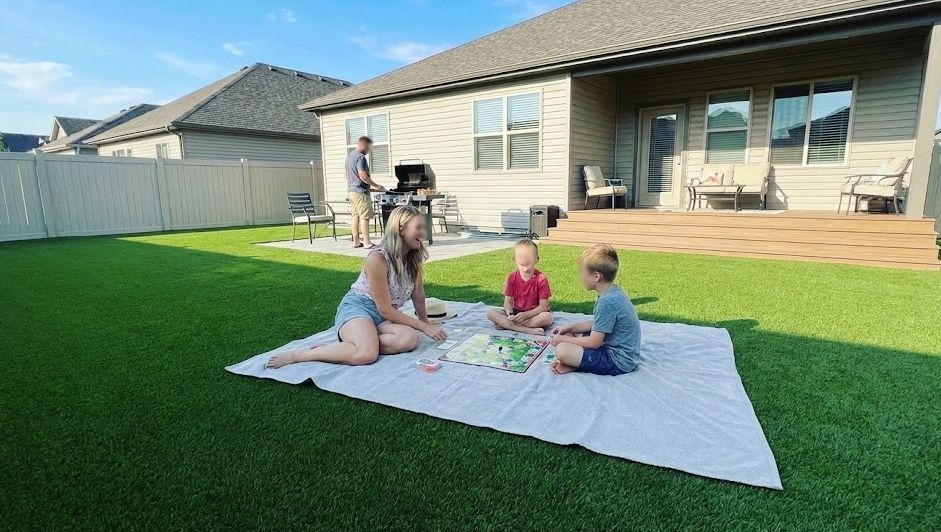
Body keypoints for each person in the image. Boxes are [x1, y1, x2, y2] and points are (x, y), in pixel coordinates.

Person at [266, 205, 447, 368]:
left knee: (409, 339)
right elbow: (384, 308)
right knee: (366, 354)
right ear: (401, 229)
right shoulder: (378, 258)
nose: (424, 233)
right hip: (359, 308)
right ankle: (301, 355)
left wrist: (424, 322)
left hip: (382, 318)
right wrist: (424, 327)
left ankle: (348, 345)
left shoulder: (412, 259)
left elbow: (418, 294)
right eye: (419, 228)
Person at [549, 244, 641, 376]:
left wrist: (562, 340)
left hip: (618, 361)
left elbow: (593, 342)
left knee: (562, 350)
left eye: (582, 272)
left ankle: (575, 364)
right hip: (617, 349)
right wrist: (568, 329)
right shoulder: (612, 291)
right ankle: (574, 363)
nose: (581, 277)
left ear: (596, 276)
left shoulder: (607, 302)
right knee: (573, 336)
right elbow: (598, 323)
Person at [486, 239, 553, 335]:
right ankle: (526, 329)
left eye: (528, 256)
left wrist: (526, 315)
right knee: (491, 312)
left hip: (534, 314)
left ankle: (508, 325)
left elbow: (544, 306)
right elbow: (508, 303)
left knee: (547, 317)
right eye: (520, 256)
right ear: (514, 259)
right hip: (517, 313)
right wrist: (510, 313)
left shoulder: (541, 279)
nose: (524, 258)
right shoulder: (512, 277)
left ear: (536, 259)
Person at [346, 136, 386, 249]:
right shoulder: (360, 157)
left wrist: (370, 188)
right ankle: (367, 242)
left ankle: (356, 241)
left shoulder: (349, 157)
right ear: (363, 145)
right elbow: (363, 176)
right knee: (365, 216)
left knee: (355, 216)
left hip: (351, 191)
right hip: (360, 192)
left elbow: (353, 177)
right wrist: (376, 185)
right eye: (368, 148)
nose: (369, 150)